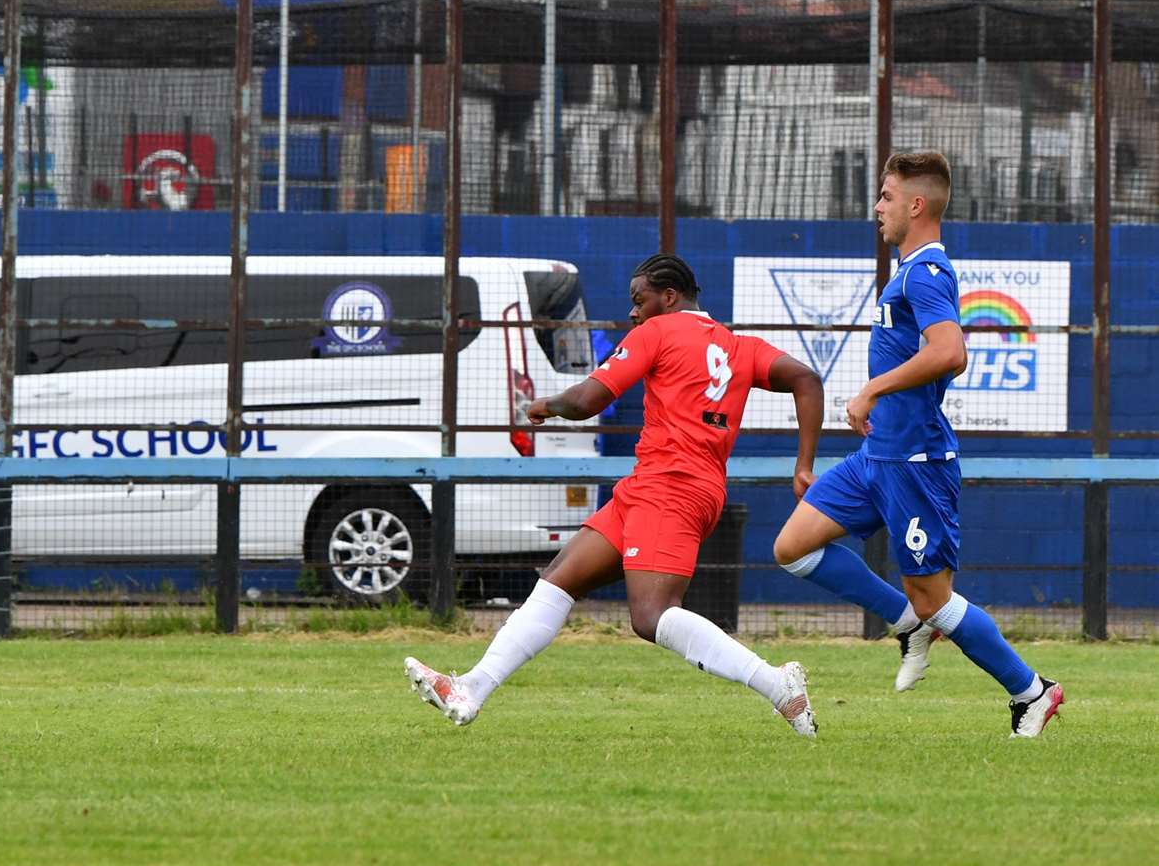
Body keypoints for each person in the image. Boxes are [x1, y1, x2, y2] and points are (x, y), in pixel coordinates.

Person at [405, 253, 825, 735]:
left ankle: (779, 687)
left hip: (671, 486)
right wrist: (804, 464)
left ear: (669, 297)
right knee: (559, 580)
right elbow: (806, 380)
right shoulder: (738, 346)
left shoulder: (658, 331)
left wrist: (543, 404)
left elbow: (587, 401)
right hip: (665, 485)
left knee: (651, 617)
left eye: (639, 300)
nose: (633, 313)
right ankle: (471, 689)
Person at [770, 151, 1063, 738]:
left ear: (916, 204)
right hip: (875, 459)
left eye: (886, 196)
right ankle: (907, 624)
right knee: (793, 547)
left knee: (937, 599)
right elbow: (934, 359)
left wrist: (871, 389)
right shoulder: (905, 273)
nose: (878, 207)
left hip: (914, 465)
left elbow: (950, 351)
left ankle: (1032, 691)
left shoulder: (929, 272)